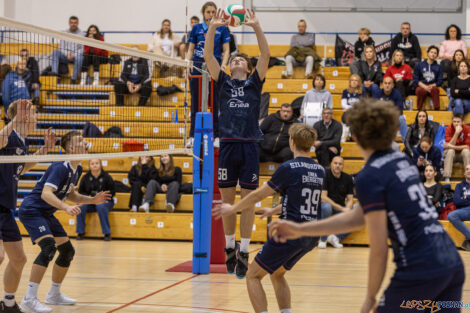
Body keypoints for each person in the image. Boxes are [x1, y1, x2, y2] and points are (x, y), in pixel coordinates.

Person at [269, 99, 464, 313]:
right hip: (451, 262)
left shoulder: (370, 176)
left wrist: (370, 296)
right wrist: (299, 228)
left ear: (358, 137)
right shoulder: (403, 161)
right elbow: (355, 218)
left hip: (421, 267)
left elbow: (379, 248)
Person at [213, 123, 324, 313]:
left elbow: (257, 195)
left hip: (289, 233)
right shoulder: (319, 170)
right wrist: (273, 212)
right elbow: (305, 202)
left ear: (291, 142)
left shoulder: (289, 168)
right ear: (311, 144)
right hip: (312, 235)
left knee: (252, 275)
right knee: (277, 274)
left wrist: (233, 208)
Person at [204, 8, 269, 278]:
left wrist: (256, 27)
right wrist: (213, 28)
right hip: (228, 145)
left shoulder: (255, 83)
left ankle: (244, 249)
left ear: (248, 67)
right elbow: (209, 56)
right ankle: (230, 247)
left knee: (248, 202)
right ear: (230, 66)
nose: (237, 61)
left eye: (242, 59)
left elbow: (265, 54)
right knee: (227, 201)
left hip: (250, 145)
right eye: (234, 59)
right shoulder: (224, 83)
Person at [19, 131, 111, 313]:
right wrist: (66, 208)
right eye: (80, 141)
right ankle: (29, 299)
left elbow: (70, 193)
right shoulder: (60, 166)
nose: (85, 143)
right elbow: (46, 193)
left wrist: (92, 200)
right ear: (70, 148)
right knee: (48, 248)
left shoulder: (77, 169)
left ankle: (54, 294)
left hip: (46, 212)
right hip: (32, 210)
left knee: (67, 250)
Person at [0, 99, 56, 313]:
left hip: (5, 208)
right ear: (23, 116)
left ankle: (8, 303)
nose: (36, 118)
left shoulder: (22, 142)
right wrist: (14, 119)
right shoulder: (9, 135)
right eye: (33, 113)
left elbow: (21, 168)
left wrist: (45, 150)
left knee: (19, 258)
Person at [186, 1, 230, 148]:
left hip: (214, 66)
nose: (211, 14)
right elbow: (190, 49)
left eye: (213, 12)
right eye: (208, 12)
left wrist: (223, 65)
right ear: (203, 13)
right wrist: (187, 63)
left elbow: (227, 50)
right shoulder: (196, 28)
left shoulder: (222, 28)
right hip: (197, 67)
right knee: (196, 103)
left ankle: (217, 136)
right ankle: (192, 136)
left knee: (216, 103)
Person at [318, 156, 354, 249]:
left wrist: (348, 209)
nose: (337, 166)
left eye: (340, 164)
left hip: (339, 210)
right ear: (331, 164)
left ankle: (335, 237)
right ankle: (323, 239)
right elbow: (323, 197)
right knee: (327, 207)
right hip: (325, 210)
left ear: (343, 166)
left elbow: (350, 199)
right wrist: (341, 208)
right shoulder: (325, 175)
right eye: (335, 163)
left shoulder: (348, 178)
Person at [76, 159, 115, 241]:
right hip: (90, 201)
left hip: (104, 202)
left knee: (100, 206)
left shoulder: (107, 177)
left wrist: (102, 196)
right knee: (80, 206)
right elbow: (80, 192)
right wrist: (90, 197)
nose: (94, 165)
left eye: (97, 163)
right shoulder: (85, 177)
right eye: (92, 163)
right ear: (89, 166)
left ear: (100, 164)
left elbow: (113, 191)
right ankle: (80, 232)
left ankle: (107, 233)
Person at [51, 16, 84, 83]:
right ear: (69, 23)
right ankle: (54, 74)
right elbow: (61, 47)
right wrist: (67, 54)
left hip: (75, 57)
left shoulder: (81, 34)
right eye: (71, 22)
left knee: (80, 57)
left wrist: (73, 55)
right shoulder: (64, 33)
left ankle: (73, 79)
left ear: (77, 23)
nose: (73, 24)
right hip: (65, 56)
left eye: (75, 23)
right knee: (55, 52)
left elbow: (81, 49)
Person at [413, 45, 443, 110]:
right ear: (428, 53)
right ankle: (419, 109)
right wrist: (424, 86)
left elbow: (440, 81)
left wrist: (431, 86)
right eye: (431, 52)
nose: (433, 54)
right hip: (422, 85)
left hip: (432, 86)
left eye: (435, 53)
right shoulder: (419, 65)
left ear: (437, 55)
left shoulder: (439, 67)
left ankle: (437, 109)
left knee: (435, 90)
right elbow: (415, 79)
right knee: (419, 90)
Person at [448, 164, 470, 250]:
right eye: (467, 169)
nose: (469, 171)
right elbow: (457, 201)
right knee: (452, 215)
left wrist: (465, 198)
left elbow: (461, 200)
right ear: (464, 173)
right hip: (464, 211)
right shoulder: (459, 186)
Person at [443, 113, 470, 182]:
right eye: (454, 121)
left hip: (462, 154)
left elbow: (467, 146)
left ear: (463, 122)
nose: (456, 124)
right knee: (451, 151)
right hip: (452, 154)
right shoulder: (448, 129)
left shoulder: (467, 129)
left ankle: (468, 177)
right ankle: (447, 178)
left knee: (466, 151)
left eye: (458, 122)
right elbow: (449, 147)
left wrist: (452, 146)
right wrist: (456, 133)